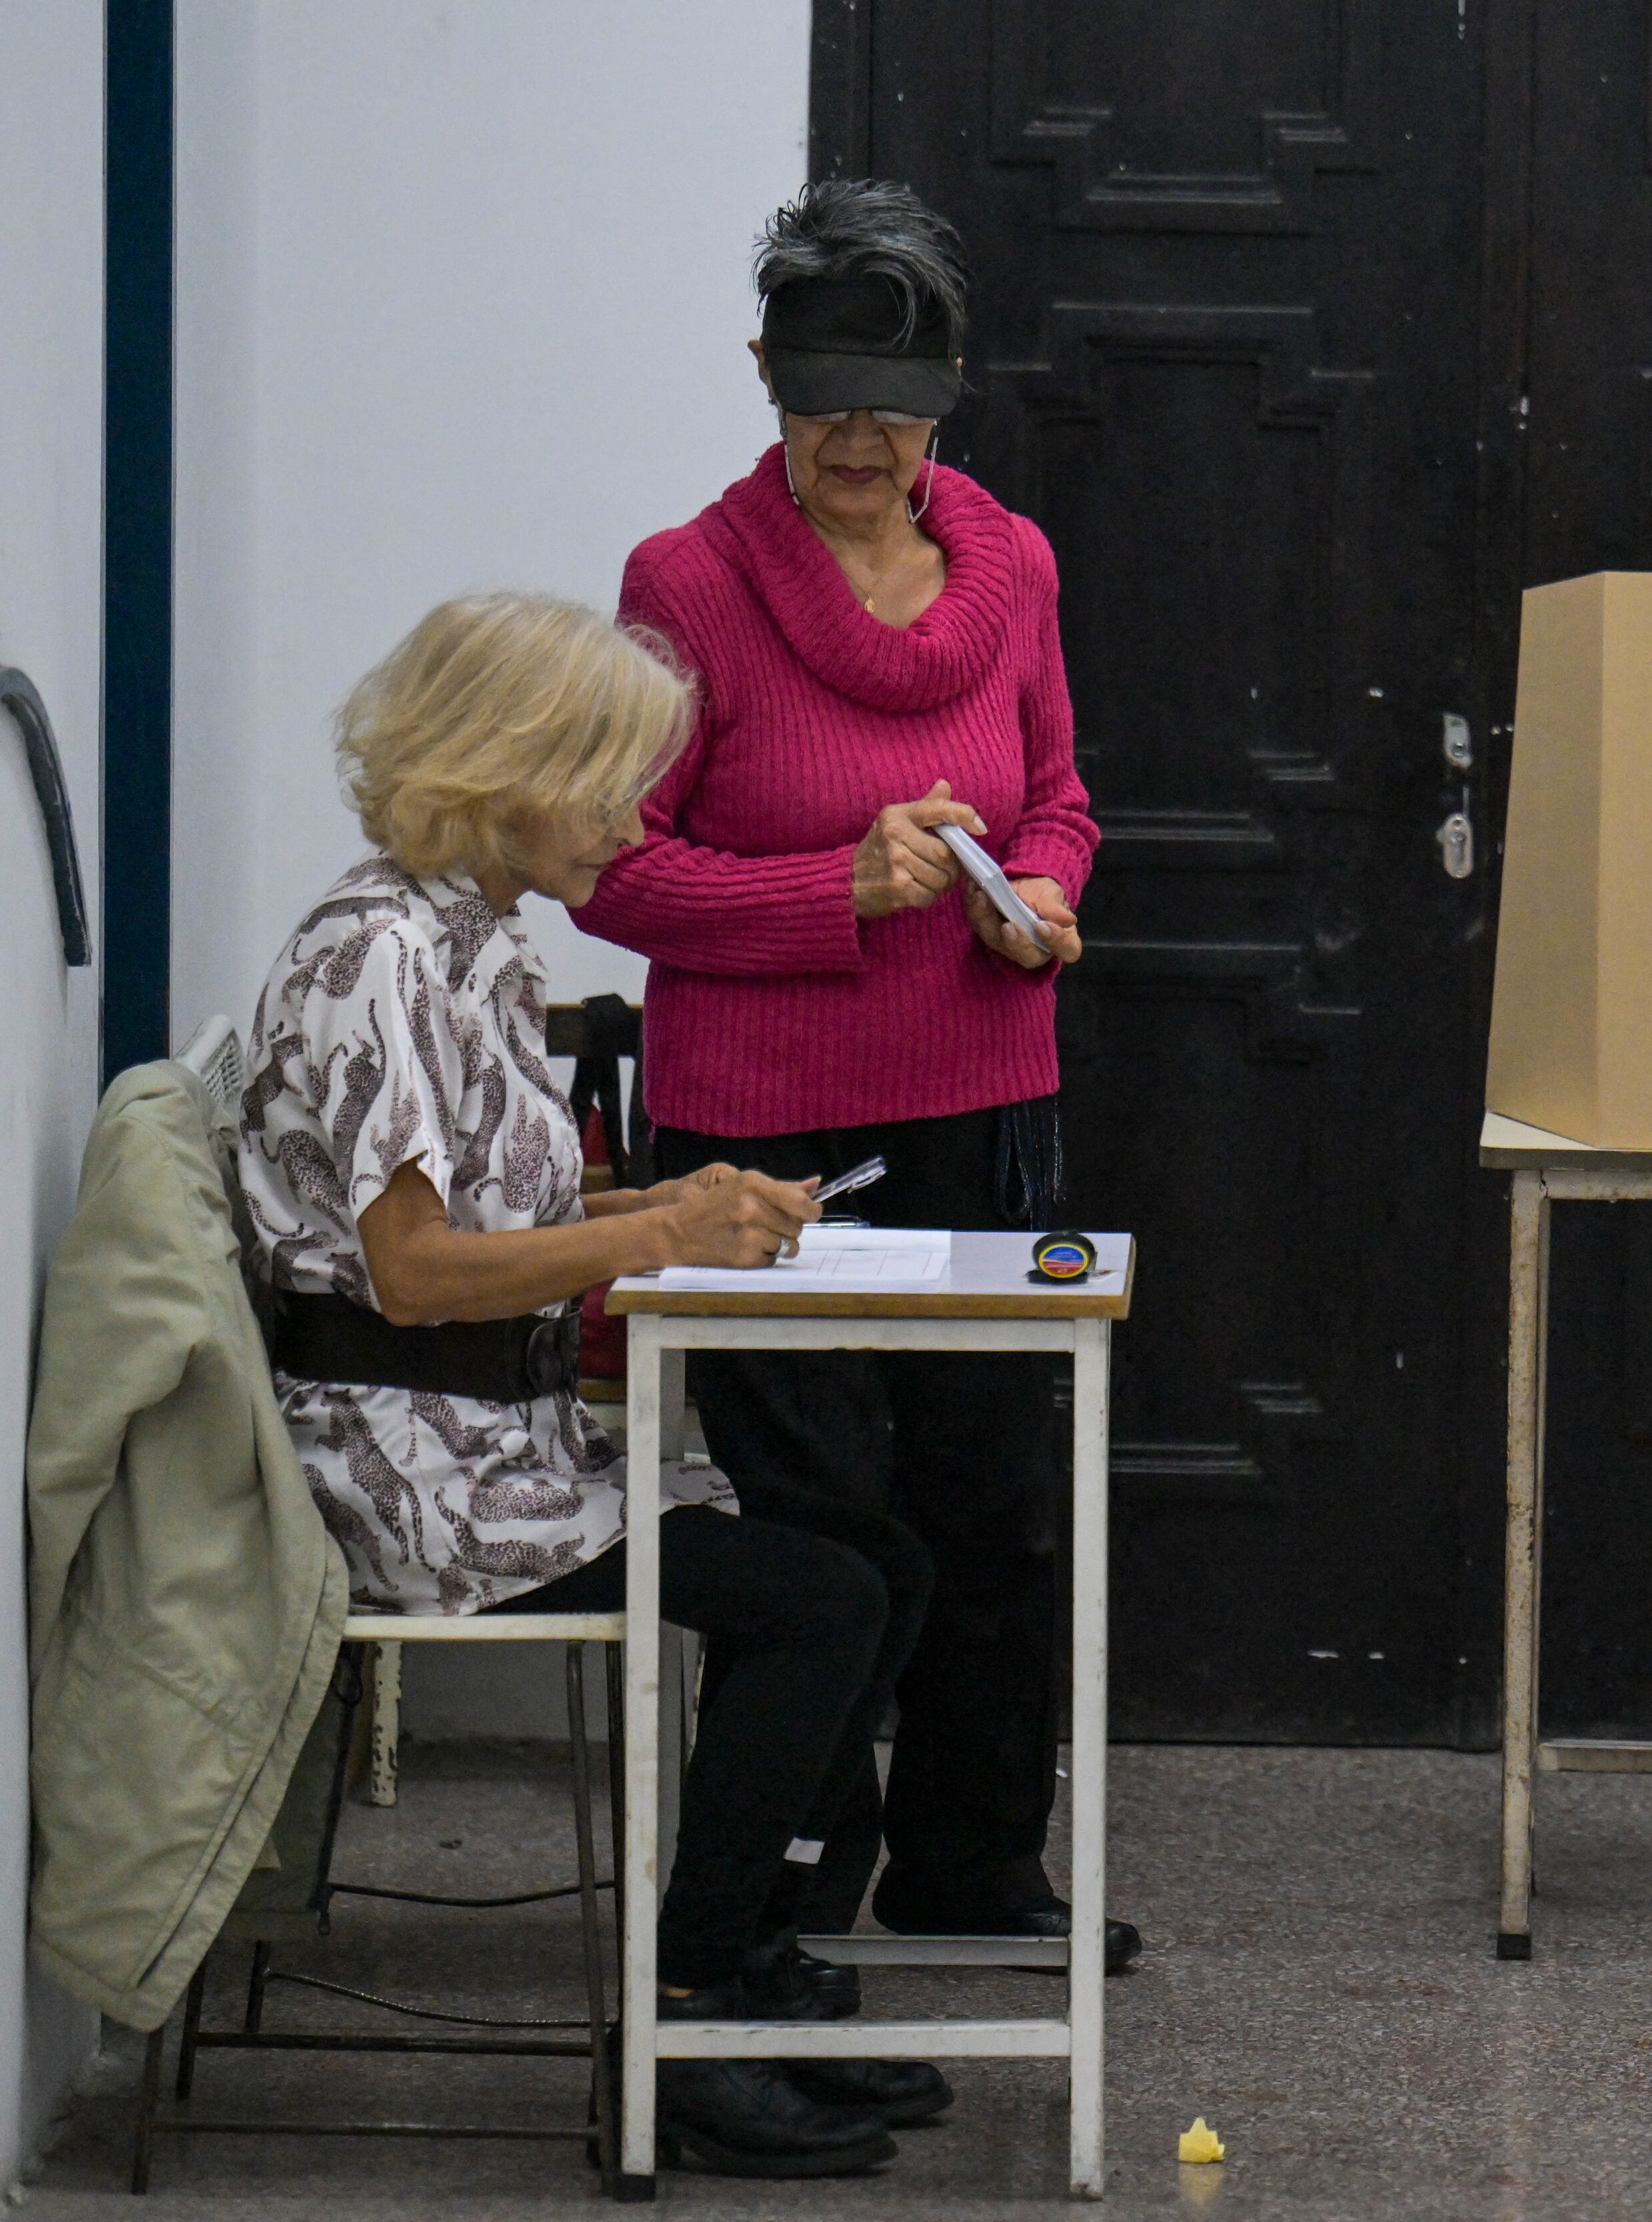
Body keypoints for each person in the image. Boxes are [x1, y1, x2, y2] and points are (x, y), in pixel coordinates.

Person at [242, 592, 949, 2176]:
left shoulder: (473, 945)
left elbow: (513, 1222)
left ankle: (746, 1971)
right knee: (820, 1595)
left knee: (875, 1560)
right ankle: (689, 2007)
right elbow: (415, 1273)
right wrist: (656, 1232)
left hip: (494, 1434)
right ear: (504, 766)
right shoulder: (372, 961)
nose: (639, 823)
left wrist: (680, 1209)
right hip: (410, 1471)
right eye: (612, 782)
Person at [575, 178, 1121, 1961]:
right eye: (826, 408)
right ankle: (797, 1879)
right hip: (755, 1121)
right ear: (765, 383)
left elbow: (1057, 792)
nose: (864, 445)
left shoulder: (1021, 559)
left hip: (980, 1094)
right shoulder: (687, 584)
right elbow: (611, 867)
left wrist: (1041, 883)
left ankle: (979, 1870)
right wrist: (840, 883)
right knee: (817, 1520)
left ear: (947, 399)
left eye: (897, 410)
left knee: (990, 1499)